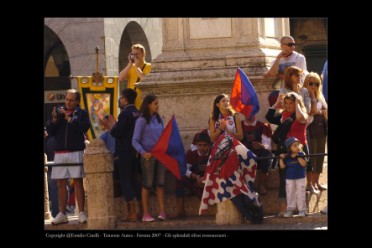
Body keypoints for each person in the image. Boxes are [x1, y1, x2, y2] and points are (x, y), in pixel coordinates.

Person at [47, 89, 91, 224]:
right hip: (60, 152)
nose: (68, 102)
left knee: (78, 182)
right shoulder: (59, 112)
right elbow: (50, 132)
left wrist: (69, 118)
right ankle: (62, 213)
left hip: (75, 151)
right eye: (67, 99)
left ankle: (81, 212)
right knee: (60, 183)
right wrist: (54, 120)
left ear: (77, 101)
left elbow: (84, 127)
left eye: (71, 100)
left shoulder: (82, 113)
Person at [265, 92, 309, 216]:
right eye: (287, 103)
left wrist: (298, 103)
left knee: (299, 180)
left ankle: (301, 209)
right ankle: (284, 209)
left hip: (298, 151)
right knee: (284, 179)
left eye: (291, 103)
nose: (289, 105)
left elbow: (301, 118)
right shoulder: (282, 116)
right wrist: (277, 102)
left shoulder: (302, 114)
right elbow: (269, 117)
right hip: (284, 151)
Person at [104, 88, 142, 222]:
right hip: (136, 151)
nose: (120, 100)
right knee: (134, 180)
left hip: (125, 152)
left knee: (126, 181)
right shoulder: (137, 113)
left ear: (125, 99)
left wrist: (110, 125)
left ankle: (132, 213)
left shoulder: (125, 114)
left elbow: (118, 132)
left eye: (121, 98)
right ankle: (140, 211)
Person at [132, 94, 167, 222]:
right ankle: (146, 213)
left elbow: (163, 136)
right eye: (155, 103)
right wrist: (143, 152)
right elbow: (135, 140)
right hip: (148, 156)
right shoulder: (141, 121)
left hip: (160, 155)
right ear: (148, 105)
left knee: (161, 183)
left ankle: (162, 211)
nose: (158, 106)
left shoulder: (159, 119)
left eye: (158, 103)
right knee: (147, 184)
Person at [174, 132, 211, 218]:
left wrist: (206, 179)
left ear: (209, 145)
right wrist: (195, 177)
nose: (202, 148)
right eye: (200, 145)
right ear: (197, 145)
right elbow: (185, 169)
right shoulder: (191, 153)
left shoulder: (213, 153)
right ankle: (181, 211)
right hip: (195, 179)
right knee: (179, 177)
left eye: (205, 145)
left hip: (210, 181)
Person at [302, 73, 328, 191]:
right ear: (306, 83)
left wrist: (321, 111)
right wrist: (312, 96)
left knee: (320, 155)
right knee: (311, 156)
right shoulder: (304, 95)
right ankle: (309, 183)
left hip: (321, 128)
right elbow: (310, 111)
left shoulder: (320, 95)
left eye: (316, 84)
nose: (314, 86)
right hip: (310, 128)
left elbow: (325, 111)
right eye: (311, 83)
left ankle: (317, 182)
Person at [241, 117, 272, 195]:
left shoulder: (263, 126)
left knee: (266, 153)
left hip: (260, 153)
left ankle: (261, 184)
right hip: (245, 152)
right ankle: (247, 185)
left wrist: (260, 145)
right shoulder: (239, 125)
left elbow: (267, 145)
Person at [279, 137, 307, 217]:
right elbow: (282, 167)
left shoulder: (302, 154)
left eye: (298, 145)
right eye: (295, 146)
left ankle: (302, 210)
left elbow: (304, 164)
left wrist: (298, 157)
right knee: (290, 193)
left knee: (300, 193)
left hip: (300, 177)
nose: (297, 147)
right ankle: (290, 209)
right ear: (289, 148)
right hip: (289, 178)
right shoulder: (287, 157)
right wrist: (280, 159)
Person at [119, 44, 152, 109]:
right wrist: (129, 64)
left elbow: (144, 80)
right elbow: (120, 78)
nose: (135, 56)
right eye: (133, 54)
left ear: (143, 54)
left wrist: (136, 66)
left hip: (143, 103)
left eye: (137, 54)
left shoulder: (150, 67)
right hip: (132, 104)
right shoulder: (131, 67)